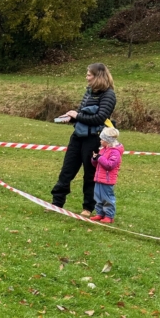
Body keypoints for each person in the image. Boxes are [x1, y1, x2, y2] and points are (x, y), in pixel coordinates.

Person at [51, 63, 117, 216]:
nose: (86, 78)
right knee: (66, 171)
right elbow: (82, 115)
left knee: (90, 174)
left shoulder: (109, 95)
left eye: (89, 75)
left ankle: (88, 208)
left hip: (94, 139)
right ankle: (56, 203)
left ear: (98, 77)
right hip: (77, 137)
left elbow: (99, 118)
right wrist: (71, 117)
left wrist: (77, 115)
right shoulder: (89, 91)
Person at [90, 126, 123, 224]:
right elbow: (97, 164)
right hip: (98, 179)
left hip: (107, 180)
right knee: (98, 197)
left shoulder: (115, 152)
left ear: (107, 140)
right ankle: (100, 213)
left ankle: (109, 216)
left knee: (107, 198)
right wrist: (94, 159)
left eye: (102, 139)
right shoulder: (103, 150)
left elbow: (110, 165)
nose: (100, 141)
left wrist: (99, 158)